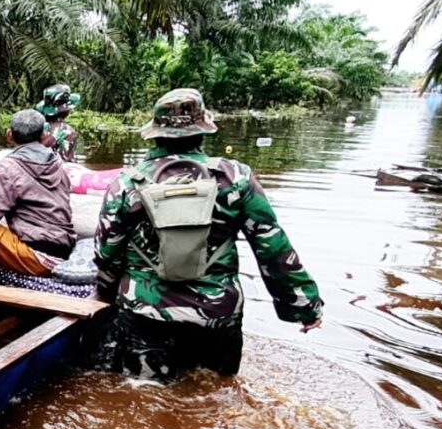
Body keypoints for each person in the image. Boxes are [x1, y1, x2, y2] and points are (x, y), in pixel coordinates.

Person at [94, 88, 323, 381]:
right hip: (217, 313)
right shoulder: (236, 178)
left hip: (146, 313)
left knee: (145, 398)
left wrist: (106, 293)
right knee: (217, 396)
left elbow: (107, 252)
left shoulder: (126, 184)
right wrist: (304, 306)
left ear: (155, 133)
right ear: (203, 132)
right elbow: (272, 247)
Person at [0, 109, 76, 284]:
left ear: (9, 135)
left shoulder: (9, 167)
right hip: (63, 250)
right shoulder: (57, 162)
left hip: (38, 257)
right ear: (43, 135)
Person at [36, 83, 81, 162]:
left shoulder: (37, 127)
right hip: (58, 166)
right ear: (66, 112)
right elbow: (68, 158)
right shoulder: (68, 130)